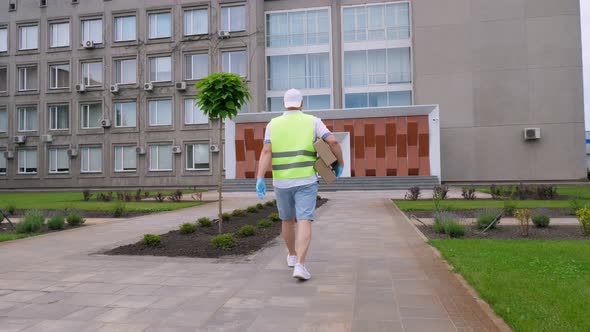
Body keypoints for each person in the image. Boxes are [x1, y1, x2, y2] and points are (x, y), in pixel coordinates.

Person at [256, 89, 344, 280]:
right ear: (302, 103)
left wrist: (260, 178)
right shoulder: (313, 121)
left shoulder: (273, 124)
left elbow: (266, 152)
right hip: (306, 180)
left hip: (281, 181)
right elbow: (334, 141)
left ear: (284, 104)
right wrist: (340, 164)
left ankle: (292, 256)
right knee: (304, 220)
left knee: (287, 220)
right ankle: (301, 266)